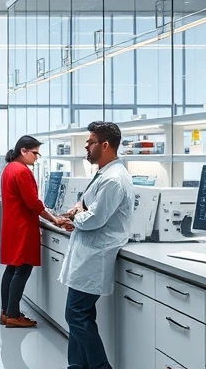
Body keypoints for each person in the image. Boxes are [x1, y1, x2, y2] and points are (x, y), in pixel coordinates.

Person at [59, 121, 134, 369]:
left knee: (76, 315)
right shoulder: (104, 173)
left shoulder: (114, 179)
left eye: (90, 142)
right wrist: (79, 210)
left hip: (96, 254)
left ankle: (101, 367)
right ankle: (76, 366)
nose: (86, 146)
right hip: (87, 254)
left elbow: (95, 218)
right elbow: (88, 206)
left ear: (105, 145)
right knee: (81, 315)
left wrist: (74, 217)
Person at [0, 135, 71, 328]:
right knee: (22, 270)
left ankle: (6, 312)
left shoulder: (9, 168)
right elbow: (33, 203)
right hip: (22, 227)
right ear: (23, 150)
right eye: (35, 153)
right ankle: (13, 315)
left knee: (11, 269)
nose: (37, 158)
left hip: (12, 225)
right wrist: (55, 219)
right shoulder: (21, 171)